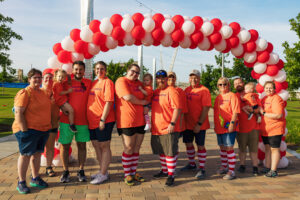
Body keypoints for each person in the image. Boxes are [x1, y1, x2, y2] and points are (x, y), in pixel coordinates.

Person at [13, 68, 51, 194]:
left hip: (42, 130)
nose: (38, 80)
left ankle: (35, 178)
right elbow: (18, 112)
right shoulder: (24, 93)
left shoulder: (42, 92)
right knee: (25, 155)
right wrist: (24, 131)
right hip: (28, 130)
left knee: (37, 154)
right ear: (29, 79)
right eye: (35, 77)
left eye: (39, 77)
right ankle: (21, 182)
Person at [115, 64, 149, 186]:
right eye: (133, 71)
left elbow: (148, 95)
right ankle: (127, 174)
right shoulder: (120, 81)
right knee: (129, 147)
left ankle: (134, 172)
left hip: (140, 121)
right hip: (126, 121)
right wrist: (142, 102)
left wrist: (146, 105)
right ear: (127, 70)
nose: (135, 74)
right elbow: (128, 97)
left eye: (137, 73)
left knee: (136, 148)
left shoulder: (139, 83)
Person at [59, 61, 92, 183]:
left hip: (83, 121)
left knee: (82, 146)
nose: (78, 72)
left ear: (84, 71)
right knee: (65, 146)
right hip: (66, 121)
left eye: (81, 69)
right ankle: (65, 171)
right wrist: (62, 107)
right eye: (76, 69)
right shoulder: (66, 82)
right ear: (72, 70)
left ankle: (81, 170)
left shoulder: (89, 83)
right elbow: (57, 95)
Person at [151, 70, 182, 186]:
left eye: (163, 77)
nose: (160, 80)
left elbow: (177, 108)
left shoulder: (172, 91)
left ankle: (171, 175)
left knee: (170, 152)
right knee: (162, 151)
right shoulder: (156, 92)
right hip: (157, 128)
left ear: (167, 79)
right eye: (158, 78)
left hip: (169, 128)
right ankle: (164, 171)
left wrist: (172, 124)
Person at [87, 61, 115, 184]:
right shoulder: (94, 83)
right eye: (97, 69)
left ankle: (103, 174)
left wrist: (102, 119)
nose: (99, 71)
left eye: (102, 69)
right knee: (96, 145)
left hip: (103, 120)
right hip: (92, 120)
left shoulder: (108, 82)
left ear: (106, 70)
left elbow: (109, 102)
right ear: (94, 70)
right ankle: (103, 170)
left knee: (104, 146)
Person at [181, 69, 211, 180]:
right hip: (187, 124)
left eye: (196, 77)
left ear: (199, 79)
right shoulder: (187, 90)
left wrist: (199, 123)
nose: (193, 79)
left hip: (200, 125)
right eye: (191, 77)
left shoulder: (204, 90)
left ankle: (202, 168)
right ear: (189, 78)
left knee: (200, 145)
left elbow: (206, 108)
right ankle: (192, 164)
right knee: (188, 144)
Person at [214, 77, 240, 180]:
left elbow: (235, 111)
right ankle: (224, 167)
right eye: (220, 84)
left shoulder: (232, 96)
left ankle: (231, 171)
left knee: (229, 148)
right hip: (219, 128)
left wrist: (232, 123)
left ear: (228, 85)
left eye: (225, 84)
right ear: (218, 86)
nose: (223, 86)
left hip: (229, 126)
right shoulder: (218, 97)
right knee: (222, 147)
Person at [233, 78, 260, 176]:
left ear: (243, 83)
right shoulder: (234, 96)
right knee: (242, 148)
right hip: (240, 128)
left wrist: (252, 111)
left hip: (253, 127)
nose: (238, 85)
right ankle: (242, 165)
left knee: (253, 149)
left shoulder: (251, 94)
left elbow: (258, 108)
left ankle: (255, 167)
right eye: (235, 83)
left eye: (239, 82)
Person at [260, 81, 286, 177]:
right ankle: (267, 167)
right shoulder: (265, 99)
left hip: (275, 128)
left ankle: (273, 171)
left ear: (274, 89)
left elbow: (278, 115)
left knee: (274, 149)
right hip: (266, 129)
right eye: (266, 88)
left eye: (270, 88)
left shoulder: (277, 99)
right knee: (267, 148)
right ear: (264, 89)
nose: (268, 89)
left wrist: (263, 113)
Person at [41, 68, 60, 177]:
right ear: (43, 80)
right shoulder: (37, 91)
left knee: (50, 147)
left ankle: (49, 167)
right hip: (39, 126)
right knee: (36, 149)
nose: (48, 80)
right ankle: (34, 171)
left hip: (52, 125)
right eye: (46, 78)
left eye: (50, 78)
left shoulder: (55, 93)